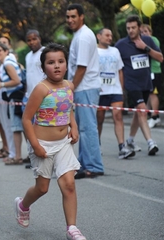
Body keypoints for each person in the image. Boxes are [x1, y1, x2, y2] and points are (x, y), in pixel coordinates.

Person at [16, 43, 87, 240]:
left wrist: (73, 126)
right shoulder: (41, 89)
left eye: (60, 61)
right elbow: (26, 119)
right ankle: (23, 205)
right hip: (42, 144)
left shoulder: (69, 86)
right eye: (51, 62)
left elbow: (68, 109)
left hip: (63, 143)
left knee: (69, 184)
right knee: (42, 188)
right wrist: (36, 145)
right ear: (43, 67)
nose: (56, 66)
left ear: (66, 64)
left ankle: (72, 228)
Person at [66, 3, 104, 179]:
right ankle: (84, 164)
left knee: (88, 128)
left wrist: (70, 88)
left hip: (85, 87)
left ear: (82, 16)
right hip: (85, 87)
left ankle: (94, 166)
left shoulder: (83, 37)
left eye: (74, 16)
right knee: (83, 128)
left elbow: (81, 68)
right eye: (68, 17)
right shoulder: (80, 34)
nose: (70, 20)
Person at [115, 15, 162, 155]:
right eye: (128, 28)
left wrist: (145, 48)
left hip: (146, 83)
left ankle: (130, 139)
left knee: (138, 112)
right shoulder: (121, 45)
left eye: (133, 28)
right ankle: (150, 142)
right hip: (131, 84)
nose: (130, 30)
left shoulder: (147, 41)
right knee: (141, 109)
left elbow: (160, 58)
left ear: (139, 28)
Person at [96, 28, 135, 159]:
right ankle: (97, 146)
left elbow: (120, 71)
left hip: (115, 90)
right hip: (100, 91)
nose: (109, 38)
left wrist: (121, 89)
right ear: (99, 36)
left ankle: (122, 147)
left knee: (118, 116)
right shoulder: (93, 52)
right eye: (107, 35)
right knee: (99, 119)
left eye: (111, 35)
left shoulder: (115, 51)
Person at [0, 42, 24, 165]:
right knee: (20, 128)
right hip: (16, 97)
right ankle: (20, 156)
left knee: (16, 128)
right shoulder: (7, 63)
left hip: (16, 97)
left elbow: (17, 81)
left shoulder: (7, 63)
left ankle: (17, 156)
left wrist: (1, 85)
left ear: (7, 51)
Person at [24, 29, 46, 169]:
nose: (32, 42)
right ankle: (33, 156)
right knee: (30, 128)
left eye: (34, 39)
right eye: (29, 40)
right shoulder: (27, 56)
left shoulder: (44, 53)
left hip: (43, 96)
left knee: (42, 127)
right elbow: (29, 76)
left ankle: (45, 156)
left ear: (39, 38)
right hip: (29, 97)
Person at [140, 24, 162, 128]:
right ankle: (148, 114)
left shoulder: (153, 40)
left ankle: (155, 116)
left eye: (145, 31)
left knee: (153, 93)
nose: (144, 34)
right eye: (142, 32)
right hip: (147, 71)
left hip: (154, 70)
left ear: (150, 32)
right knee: (149, 93)